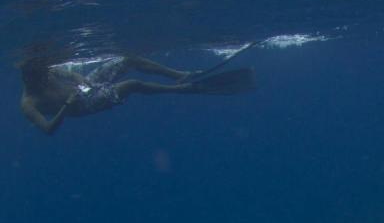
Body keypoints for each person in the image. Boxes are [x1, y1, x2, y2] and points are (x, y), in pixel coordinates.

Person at [18, 54, 256, 135]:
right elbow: (48, 129)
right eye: (39, 75)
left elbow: (70, 75)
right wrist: (67, 105)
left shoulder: (46, 72)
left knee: (128, 60)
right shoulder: (29, 103)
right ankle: (182, 89)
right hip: (82, 106)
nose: (45, 75)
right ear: (29, 78)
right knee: (132, 84)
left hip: (85, 89)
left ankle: (178, 75)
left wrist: (83, 80)